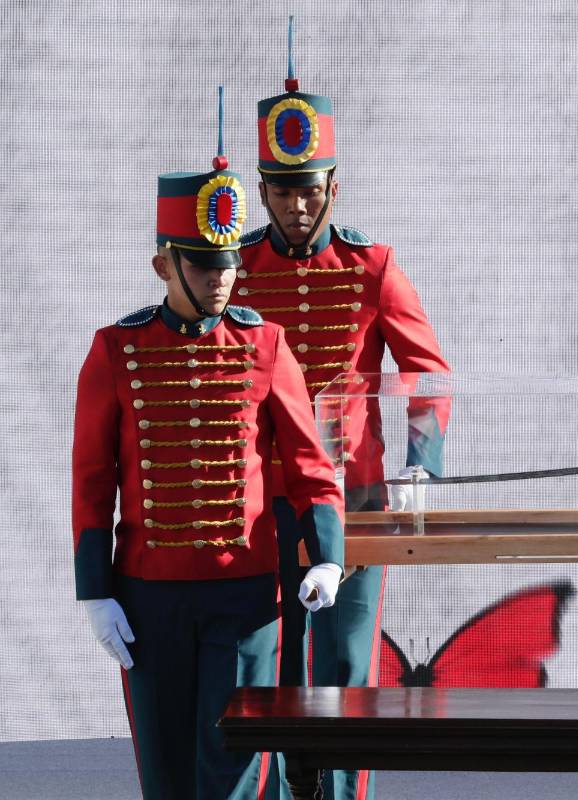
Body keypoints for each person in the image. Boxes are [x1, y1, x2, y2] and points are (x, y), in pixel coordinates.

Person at [72, 88, 344, 800]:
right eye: (201, 263)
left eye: (227, 262)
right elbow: (93, 481)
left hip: (245, 593)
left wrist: (330, 554)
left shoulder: (265, 343)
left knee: (233, 770)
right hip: (147, 596)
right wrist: (93, 593)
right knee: (165, 775)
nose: (221, 278)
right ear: (164, 266)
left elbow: (311, 465)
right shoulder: (115, 350)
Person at [237, 19, 450, 800]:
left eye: (312, 185)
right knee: (268, 671)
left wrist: (420, 462)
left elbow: (425, 371)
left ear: (336, 184)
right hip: (263, 504)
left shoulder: (372, 265)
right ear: (263, 191)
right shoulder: (240, 272)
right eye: (284, 189)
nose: (299, 205)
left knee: (344, 671)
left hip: (354, 496)